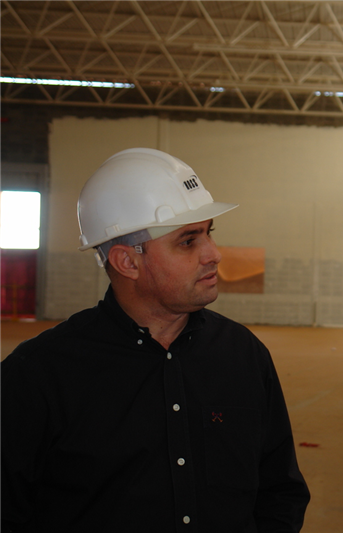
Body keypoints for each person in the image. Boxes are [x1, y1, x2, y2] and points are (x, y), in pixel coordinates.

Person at [0, 148, 310, 532]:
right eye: (188, 241)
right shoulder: (38, 376)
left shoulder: (244, 356)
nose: (213, 254)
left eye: (209, 234)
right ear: (127, 261)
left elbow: (280, 492)